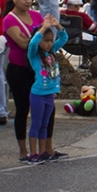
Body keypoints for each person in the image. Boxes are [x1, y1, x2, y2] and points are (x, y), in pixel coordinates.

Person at [3, 0, 63, 163]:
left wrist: (47, 31)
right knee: (23, 108)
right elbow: (24, 44)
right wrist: (41, 32)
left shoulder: (36, 16)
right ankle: (24, 151)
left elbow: (48, 38)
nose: (28, 1)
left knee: (48, 110)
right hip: (20, 68)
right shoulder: (9, 19)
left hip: (39, 70)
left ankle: (47, 148)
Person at [25, 16, 69, 164]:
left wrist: (57, 26)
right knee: (36, 124)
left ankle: (43, 151)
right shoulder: (34, 54)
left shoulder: (51, 53)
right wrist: (43, 27)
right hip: (38, 94)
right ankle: (33, 153)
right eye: (46, 40)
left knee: (45, 124)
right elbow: (33, 42)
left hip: (50, 94)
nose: (49, 44)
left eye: (51, 40)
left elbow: (64, 38)